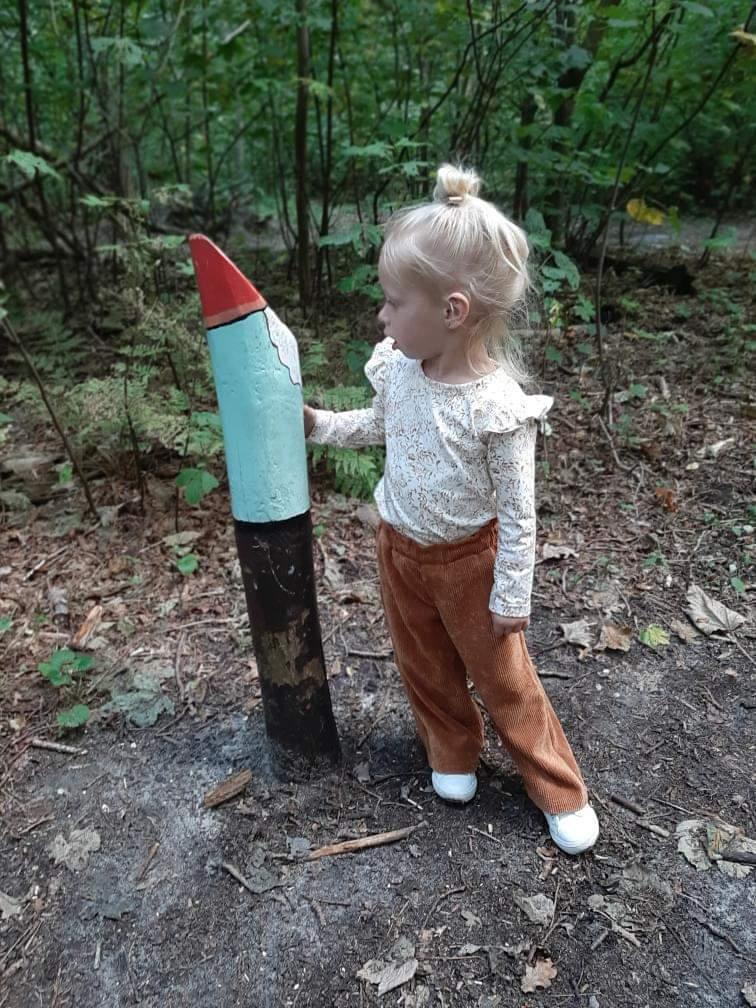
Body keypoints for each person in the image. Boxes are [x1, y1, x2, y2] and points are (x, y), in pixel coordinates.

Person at [303, 164, 599, 855]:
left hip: (470, 563)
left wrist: (512, 593)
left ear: (452, 312)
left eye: (393, 302)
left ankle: (558, 788)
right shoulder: (401, 372)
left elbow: (520, 515)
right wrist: (318, 425)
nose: (381, 317)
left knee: (504, 679)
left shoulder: (496, 409)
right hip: (400, 551)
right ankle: (452, 751)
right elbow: (380, 426)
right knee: (424, 663)